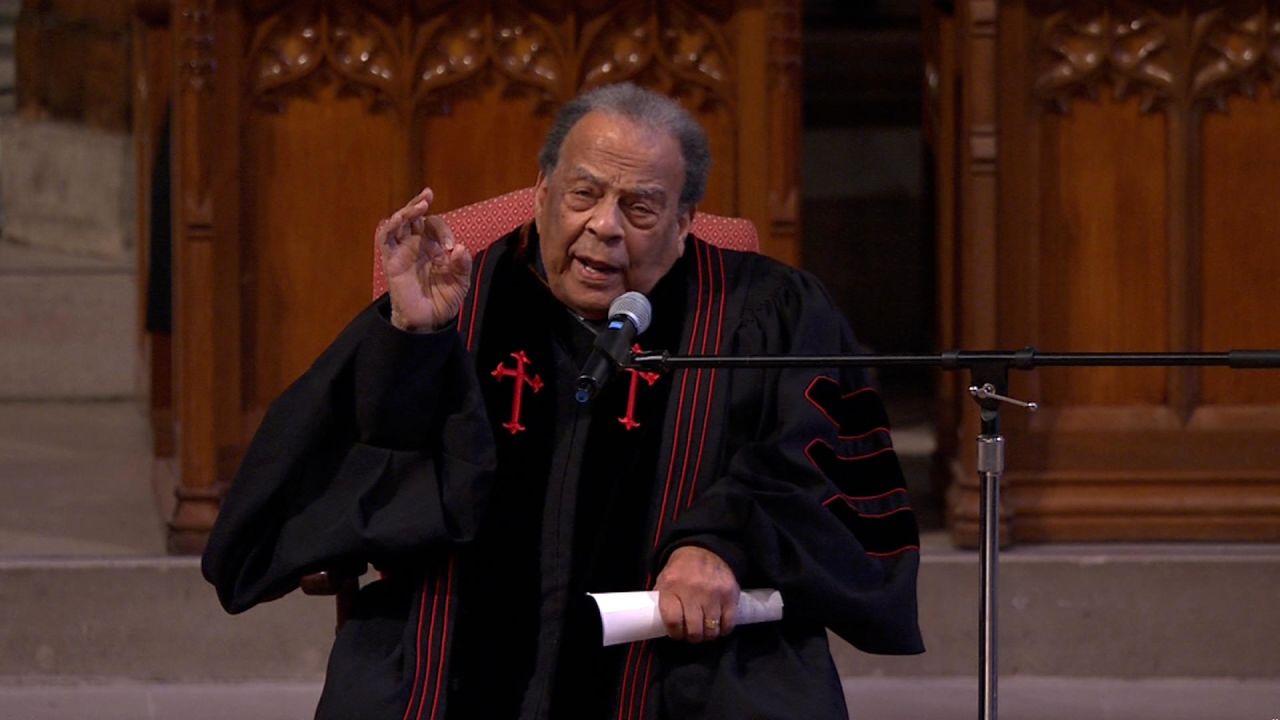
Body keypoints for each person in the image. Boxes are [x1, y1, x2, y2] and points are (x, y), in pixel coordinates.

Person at [202, 82, 923, 720]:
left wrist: (722, 540)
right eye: (584, 193)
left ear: (684, 221)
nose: (605, 225)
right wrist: (412, 338)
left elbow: (827, 469)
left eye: (640, 206)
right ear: (543, 191)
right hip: (453, 638)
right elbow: (336, 474)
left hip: (680, 659)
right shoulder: (457, 299)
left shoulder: (765, 310)